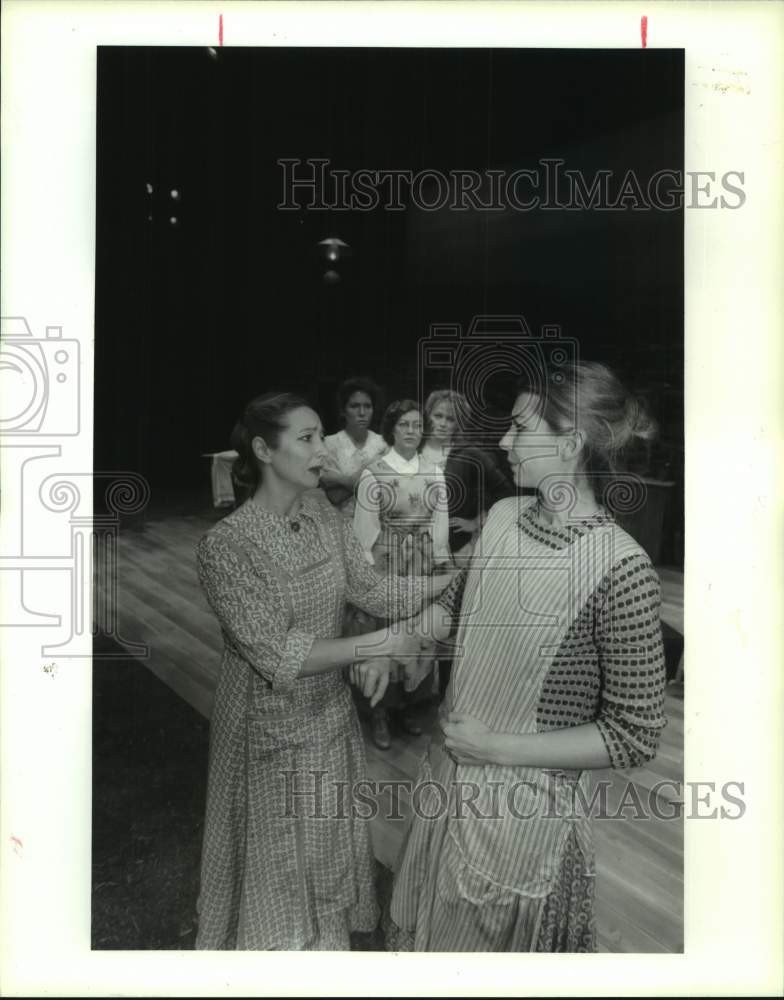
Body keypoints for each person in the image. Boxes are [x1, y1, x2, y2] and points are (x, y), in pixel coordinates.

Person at [383, 361, 668, 952]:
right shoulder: (505, 515)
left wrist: (493, 747)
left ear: (570, 443)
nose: (505, 443)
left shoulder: (623, 569)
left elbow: (633, 736)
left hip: (521, 817)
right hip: (449, 777)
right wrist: (405, 640)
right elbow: (459, 608)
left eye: (519, 429)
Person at [194, 391, 454, 950]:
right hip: (265, 727)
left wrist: (450, 580)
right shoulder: (227, 546)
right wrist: (373, 646)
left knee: (324, 849)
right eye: (306, 439)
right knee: (277, 863)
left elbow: (372, 589)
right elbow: (277, 654)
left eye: (320, 437)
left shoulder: (321, 514)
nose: (321, 452)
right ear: (264, 449)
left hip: (327, 716)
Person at [352, 399, 451, 750]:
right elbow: (365, 531)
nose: (412, 431)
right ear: (392, 429)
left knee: (418, 632)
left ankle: (409, 704)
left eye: (417, 425)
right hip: (388, 563)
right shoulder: (373, 472)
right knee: (386, 631)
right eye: (405, 425)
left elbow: (440, 523)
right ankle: (380, 711)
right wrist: (368, 573)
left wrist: (440, 562)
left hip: (422, 564)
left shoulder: (434, 470)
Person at [320, 376, 387, 518]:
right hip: (340, 524)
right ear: (343, 411)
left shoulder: (382, 444)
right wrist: (369, 468)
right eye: (354, 406)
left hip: (376, 524)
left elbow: (384, 492)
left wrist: (339, 480)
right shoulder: (329, 444)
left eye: (367, 406)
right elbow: (334, 496)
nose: (362, 413)